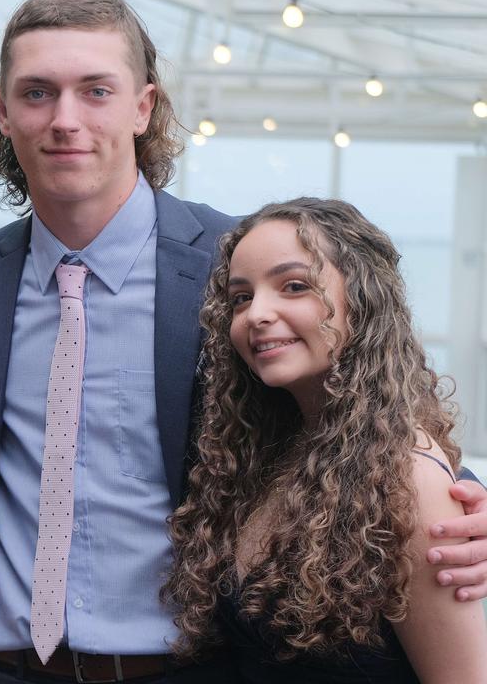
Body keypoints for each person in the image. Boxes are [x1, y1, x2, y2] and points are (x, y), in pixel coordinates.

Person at [0, 0, 487, 684]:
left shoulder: (235, 269)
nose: (64, 119)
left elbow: (357, 393)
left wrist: (456, 498)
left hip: (181, 668)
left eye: (96, 91)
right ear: (3, 113)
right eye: (37, 92)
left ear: (143, 106)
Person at [163, 198, 487, 682]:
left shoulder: (408, 477)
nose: (257, 314)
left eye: (294, 286)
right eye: (241, 297)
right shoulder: (271, 453)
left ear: (362, 300)